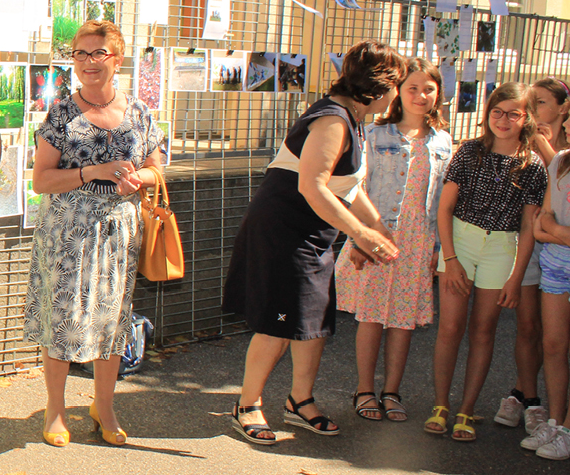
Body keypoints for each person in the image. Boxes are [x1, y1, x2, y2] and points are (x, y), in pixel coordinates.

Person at [224, 40, 408, 444]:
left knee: (313, 322)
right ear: (380, 88)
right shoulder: (333, 121)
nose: (398, 95)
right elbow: (313, 187)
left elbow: (350, 187)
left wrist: (377, 227)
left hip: (312, 235)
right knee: (279, 323)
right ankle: (246, 404)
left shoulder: (351, 117)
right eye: (397, 86)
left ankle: (299, 401)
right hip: (283, 232)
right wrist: (361, 234)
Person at [22, 19, 164, 447]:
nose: (87, 62)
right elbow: (41, 181)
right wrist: (92, 172)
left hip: (119, 231)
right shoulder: (62, 112)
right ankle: (56, 409)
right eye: (80, 54)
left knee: (112, 320)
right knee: (62, 319)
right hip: (67, 232)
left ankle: (104, 406)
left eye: (97, 54)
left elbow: (159, 168)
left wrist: (139, 177)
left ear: (116, 59)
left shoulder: (139, 112)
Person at [335, 59, 453, 422]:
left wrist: (437, 250)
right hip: (377, 237)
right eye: (412, 87)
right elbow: (358, 189)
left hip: (418, 242)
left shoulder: (444, 143)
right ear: (399, 91)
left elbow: (441, 203)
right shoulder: (375, 135)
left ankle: (391, 391)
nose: (420, 95)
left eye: (428, 89)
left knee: (402, 321)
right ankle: (365, 389)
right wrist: (358, 239)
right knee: (371, 318)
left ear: (438, 94)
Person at [430, 82, 546, 441]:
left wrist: (515, 277)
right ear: (487, 114)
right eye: (497, 111)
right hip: (460, 244)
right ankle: (440, 405)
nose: (504, 119)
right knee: (450, 328)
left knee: (483, 331)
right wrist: (450, 258)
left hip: (501, 249)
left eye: (513, 113)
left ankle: (466, 408)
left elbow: (528, 227)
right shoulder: (468, 153)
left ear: (526, 117)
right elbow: (445, 209)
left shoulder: (533, 166)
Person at [495, 77, 569, 432]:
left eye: (541, 102)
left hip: (556, 245)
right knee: (529, 328)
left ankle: (556, 415)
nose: (535, 108)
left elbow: (561, 177)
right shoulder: (523, 140)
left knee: (553, 336)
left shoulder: (560, 146)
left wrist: (545, 144)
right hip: (532, 244)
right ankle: (526, 394)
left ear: (561, 107)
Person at [525, 150, 570, 459]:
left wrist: (553, 231)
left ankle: (568, 429)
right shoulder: (561, 160)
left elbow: (548, 227)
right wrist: (556, 232)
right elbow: (542, 224)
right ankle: (554, 422)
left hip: (556, 250)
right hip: (556, 264)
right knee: (553, 345)